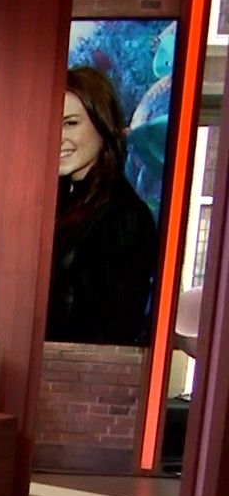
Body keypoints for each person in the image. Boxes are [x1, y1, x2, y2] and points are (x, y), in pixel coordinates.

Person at [48, 65, 160, 346]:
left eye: (70, 123)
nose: (57, 136)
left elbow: (112, 335)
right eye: (51, 123)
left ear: (102, 124)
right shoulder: (64, 204)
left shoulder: (124, 217)